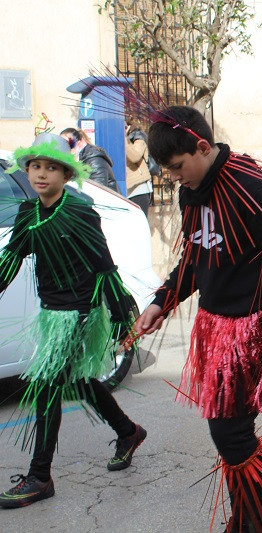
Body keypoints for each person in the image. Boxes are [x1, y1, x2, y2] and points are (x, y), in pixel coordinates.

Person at [133, 105, 262, 532]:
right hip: (214, 327)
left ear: (201, 145)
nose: (176, 178)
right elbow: (194, 259)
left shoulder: (253, 184)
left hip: (250, 327)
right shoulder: (190, 190)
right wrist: (162, 300)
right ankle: (254, 516)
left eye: (178, 167)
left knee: (229, 430)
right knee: (232, 430)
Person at [0, 133, 144, 509]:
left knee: (46, 386)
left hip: (80, 311)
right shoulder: (27, 214)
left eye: (51, 168)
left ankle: (40, 476)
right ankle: (128, 432)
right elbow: (11, 261)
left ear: (66, 174)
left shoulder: (79, 210)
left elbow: (104, 264)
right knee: (79, 380)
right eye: (35, 166)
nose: (41, 174)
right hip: (51, 312)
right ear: (27, 170)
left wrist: (119, 316)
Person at [59, 128, 120, 193]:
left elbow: (97, 192)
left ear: (79, 143)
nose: (64, 149)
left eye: (68, 145)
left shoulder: (95, 162)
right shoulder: (73, 160)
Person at [125, 123, 154, 216]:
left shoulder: (138, 137)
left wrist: (123, 138)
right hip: (125, 190)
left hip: (138, 189)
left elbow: (135, 156)